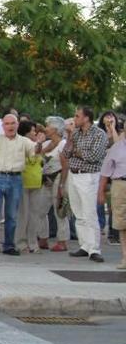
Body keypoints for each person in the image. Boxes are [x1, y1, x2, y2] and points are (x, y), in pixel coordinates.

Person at [0, 114, 43, 257]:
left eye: (13, 123)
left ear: (17, 125)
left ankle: (9, 245)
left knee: (12, 215)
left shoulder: (24, 141)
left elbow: (35, 151)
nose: (10, 126)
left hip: (15, 178)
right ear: (3, 126)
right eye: (7, 124)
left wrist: (40, 144)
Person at [62, 106, 108, 263]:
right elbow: (66, 153)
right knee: (78, 213)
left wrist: (77, 152)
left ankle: (94, 249)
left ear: (86, 118)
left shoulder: (99, 134)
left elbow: (94, 156)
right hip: (74, 174)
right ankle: (85, 245)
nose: (74, 119)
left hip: (89, 176)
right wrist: (69, 137)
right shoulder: (75, 134)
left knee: (89, 213)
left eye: (77, 116)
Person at [37, 116, 69, 252]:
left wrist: (62, 185)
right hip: (45, 180)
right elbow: (37, 157)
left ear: (55, 129)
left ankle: (62, 241)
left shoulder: (63, 144)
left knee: (59, 211)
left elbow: (65, 165)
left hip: (57, 178)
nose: (46, 128)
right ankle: (43, 238)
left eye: (48, 126)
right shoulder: (46, 144)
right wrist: (40, 145)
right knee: (40, 210)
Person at [14, 122, 46, 253]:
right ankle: (20, 242)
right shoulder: (20, 144)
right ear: (26, 132)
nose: (35, 133)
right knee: (23, 214)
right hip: (23, 182)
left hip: (36, 183)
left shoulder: (37, 146)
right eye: (32, 131)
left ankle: (33, 242)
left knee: (35, 215)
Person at [98, 135, 126, 270]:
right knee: (121, 223)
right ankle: (125, 258)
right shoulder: (116, 147)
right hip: (120, 184)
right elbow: (105, 172)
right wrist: (101, 192)